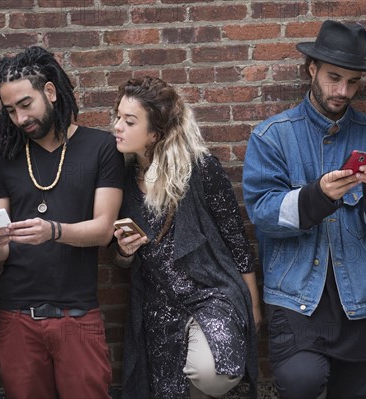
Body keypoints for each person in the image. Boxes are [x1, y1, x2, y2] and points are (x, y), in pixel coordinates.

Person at [242, 20, 366, 398]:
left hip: (363, 296)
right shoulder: (272, 136)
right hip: (296, 295)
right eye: (334, 77)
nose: (343, 91)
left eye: (353, 82)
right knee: (300, 381)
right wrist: (316, 195)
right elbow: (263, 213)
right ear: (312, 69)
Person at [0, 46, 124, 399]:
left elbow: (104, 228)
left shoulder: (101, 147)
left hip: (77, 314)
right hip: (17, 315)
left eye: (25, 105)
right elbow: (0, 251)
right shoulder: (3, 159)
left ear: (50, 91)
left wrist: (53, 231)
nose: (19, 118)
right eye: (10, 110)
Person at [112, 76, 260, 399]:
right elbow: (120, 258)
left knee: (213, 373)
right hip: (159, 307)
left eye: (129, 120)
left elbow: (237, 242)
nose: (117, 127)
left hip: (212, 295)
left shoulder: (200, 170)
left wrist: (252, 310)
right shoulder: (121, 179)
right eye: (118, 117)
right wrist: (124, 252)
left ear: (155, 133)